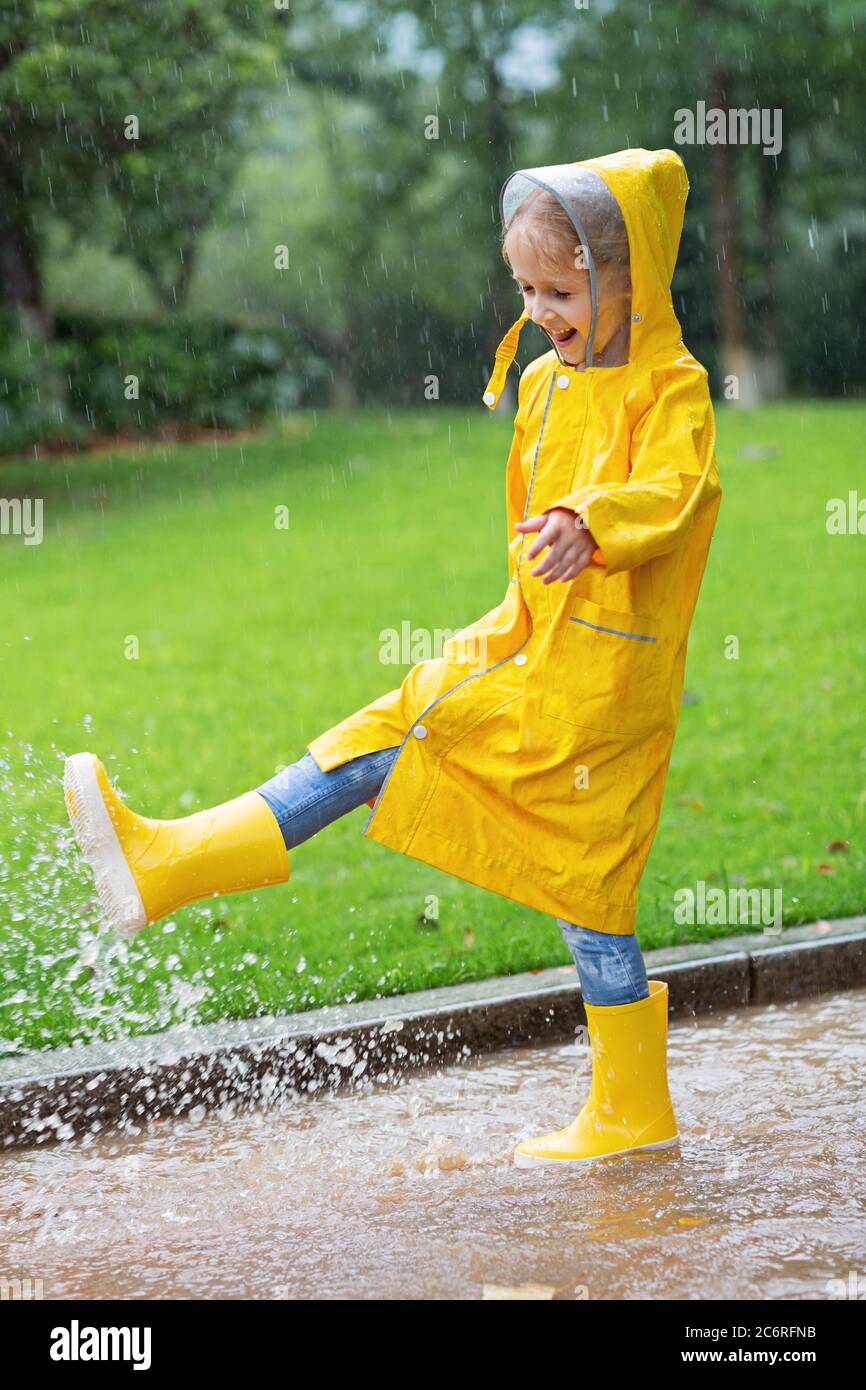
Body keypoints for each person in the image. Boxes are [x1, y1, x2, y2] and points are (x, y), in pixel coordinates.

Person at [64, 147, 721, 1168]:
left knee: (575, 873)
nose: (540, 308)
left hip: (600, 685)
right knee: (510, 826)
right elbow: (524, 531)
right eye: (525, 289)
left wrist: (586, 522)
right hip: (522, 646)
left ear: (629, 272)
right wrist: (543, 551)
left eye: (559, 289)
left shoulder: (669, 388)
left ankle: (173, 863)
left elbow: (671, 492)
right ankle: (630, 1107)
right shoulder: (546, 385)